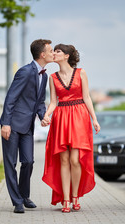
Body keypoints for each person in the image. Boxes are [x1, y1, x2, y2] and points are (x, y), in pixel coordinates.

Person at [42, 44, 100, 213]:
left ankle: (75, 196)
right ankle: (66, 200)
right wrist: (47, 115)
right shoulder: (52, 77)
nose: (53, 53)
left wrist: (94, 119)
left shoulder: (81, 73)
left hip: (79, 117)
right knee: (64, 160)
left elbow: (87, 97)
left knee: (75, 160)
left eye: (57, 51)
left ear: (66, 56)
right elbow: (53, 101)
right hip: (61, 118)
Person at [0, 39, 54, 214]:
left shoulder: (44, 75)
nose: (53, 53)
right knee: (10, 163)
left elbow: (39, 102)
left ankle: (24, 195)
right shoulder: (25, 71)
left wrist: (43, 117)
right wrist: (5, 123)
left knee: (29, 161)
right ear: (42, 54)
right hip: (13, 124)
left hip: (28, 127)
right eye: (51, 51)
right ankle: (17, 201)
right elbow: (11, 98)